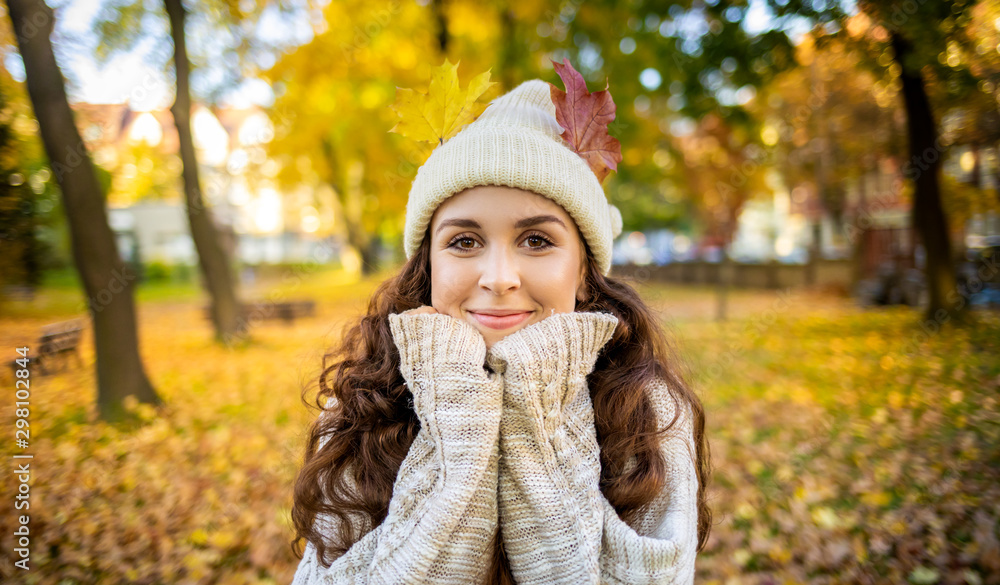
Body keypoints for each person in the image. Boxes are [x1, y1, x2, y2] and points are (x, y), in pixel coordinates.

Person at [288, 77, 712, 584]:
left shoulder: (648, 411)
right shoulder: (360, 409)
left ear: (582, 272)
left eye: (536, 240)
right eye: (465, 241)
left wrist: (533, 408)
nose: (499, 278)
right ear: (428, 267)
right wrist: (456, 407)